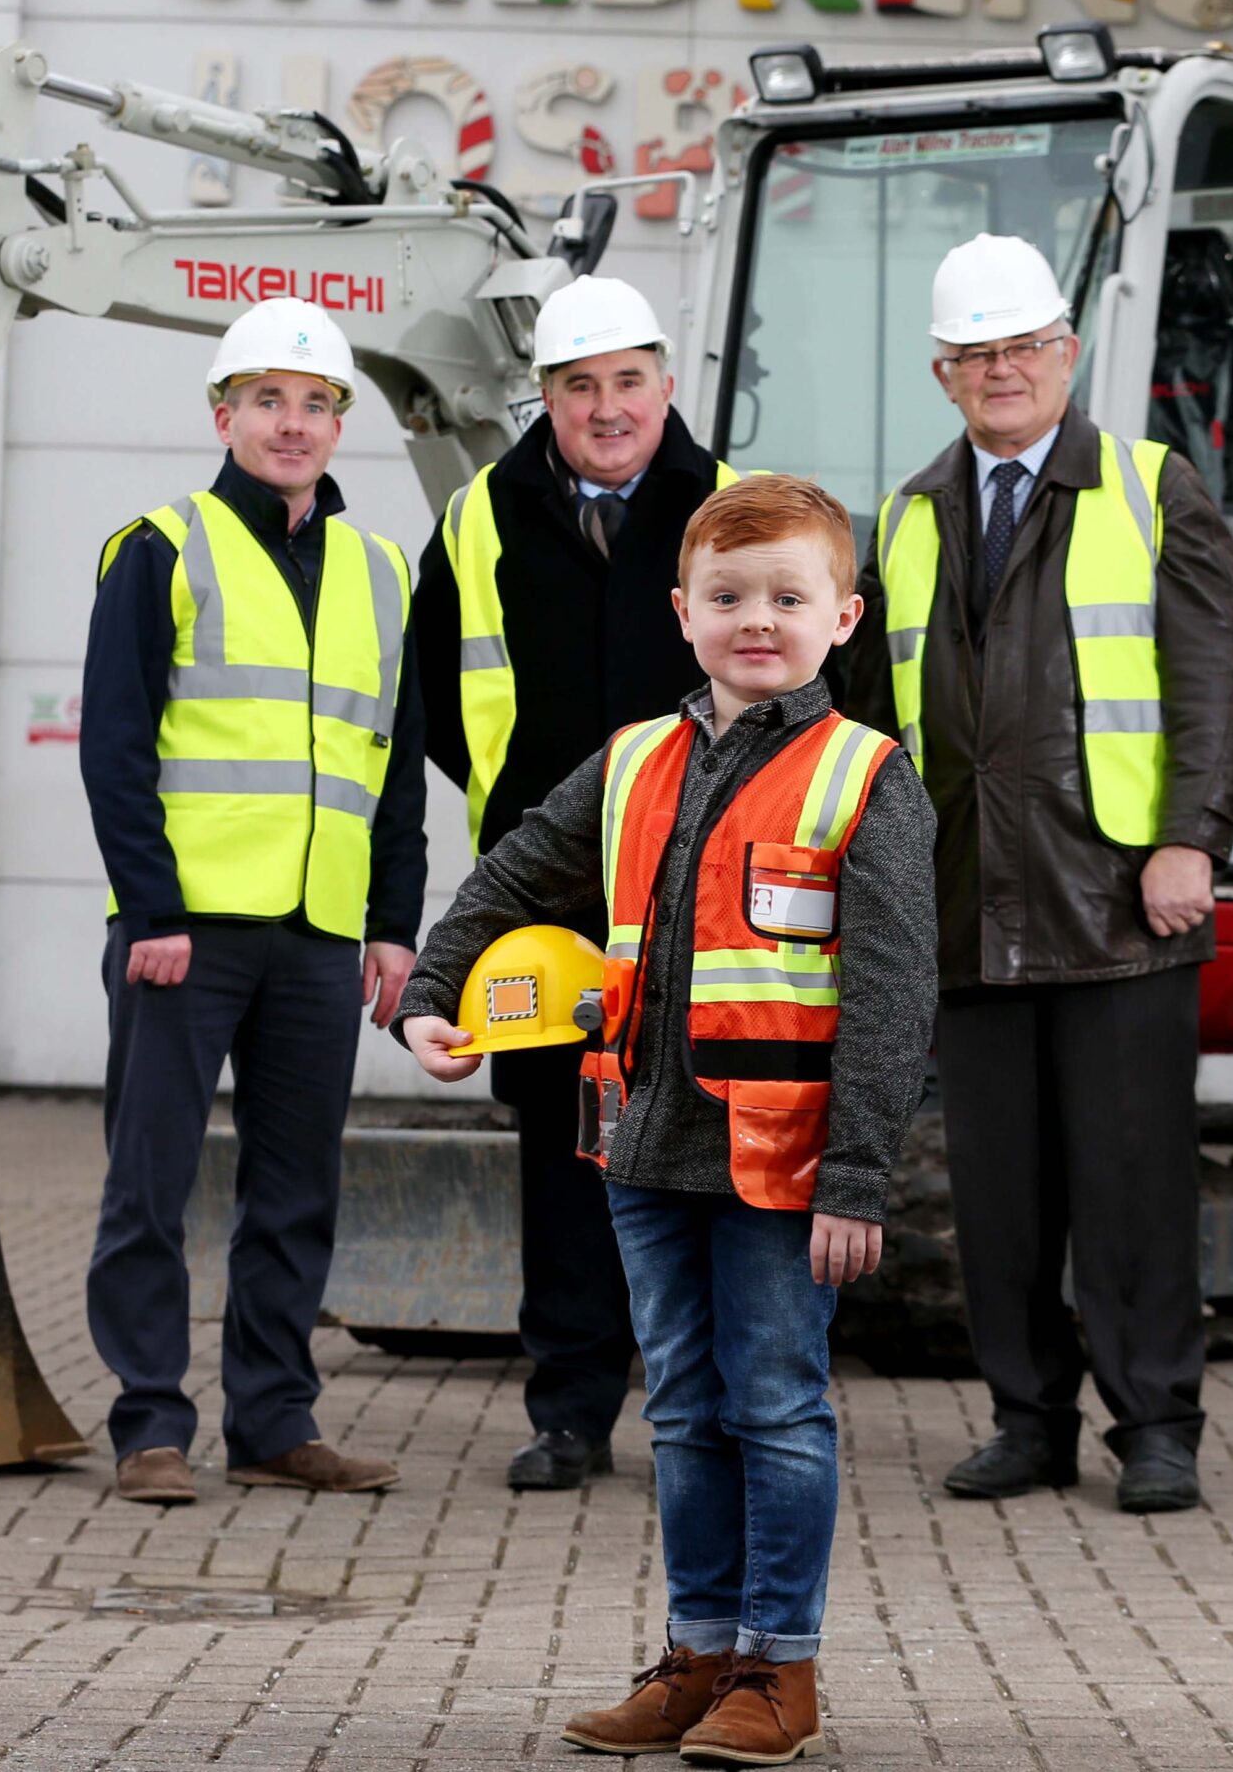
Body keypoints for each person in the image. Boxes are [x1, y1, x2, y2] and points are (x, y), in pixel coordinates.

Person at [398, 475, 938, 1765]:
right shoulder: (637, 758)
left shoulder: (866, 776)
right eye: (731, 597)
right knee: (687, 1411)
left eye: (789, 598)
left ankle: (776, 1670)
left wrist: (858, 1176)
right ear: (683, 612)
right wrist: (430, 987)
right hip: (645, 1145)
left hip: (783, 1163)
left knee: (778, 1407)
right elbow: (518, 864)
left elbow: (893, 994)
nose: (760, 620)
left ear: (843, 616)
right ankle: (696, 1658)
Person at [845, 234, 1233, 1515]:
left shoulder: (1151, 488)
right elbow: (873, 713)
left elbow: (1216, 675)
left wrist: (1192, 833)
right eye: (976, 355)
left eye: (1023, 347)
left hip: (1120, 903)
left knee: (1130, 1186)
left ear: (1067, 355)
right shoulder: (908, 519)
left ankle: (1156, 1427)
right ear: (943, 374)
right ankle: (1027, 1421)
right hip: (970, 910)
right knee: (1003, 1199)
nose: (1002, 371)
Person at [79, 296, 427, 1506]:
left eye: (316, 403)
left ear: (340, 424)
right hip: (188, 931)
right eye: (269, 401)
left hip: (321, 933)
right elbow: (115, 749)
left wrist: (392, 925)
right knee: (151, 1179)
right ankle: (148, 1425)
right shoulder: (159, 547)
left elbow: (395, 766)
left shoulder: (384, 572)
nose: (293, 423)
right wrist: (152, 910)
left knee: (296, 1187)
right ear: (222, 414)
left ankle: (275, 1420)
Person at [408, 273, 743, 1493]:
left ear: (666, 383)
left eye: (626, 381)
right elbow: (439, 703)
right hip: (545, 893)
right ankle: (569, 1411)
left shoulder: (735, 508)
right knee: (560, 1147)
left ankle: (703, 1413)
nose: (605, 407)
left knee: (706, 1141)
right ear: (541, 397)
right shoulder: (478, 517)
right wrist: (531, 819)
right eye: (577, 386)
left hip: (707, 885)